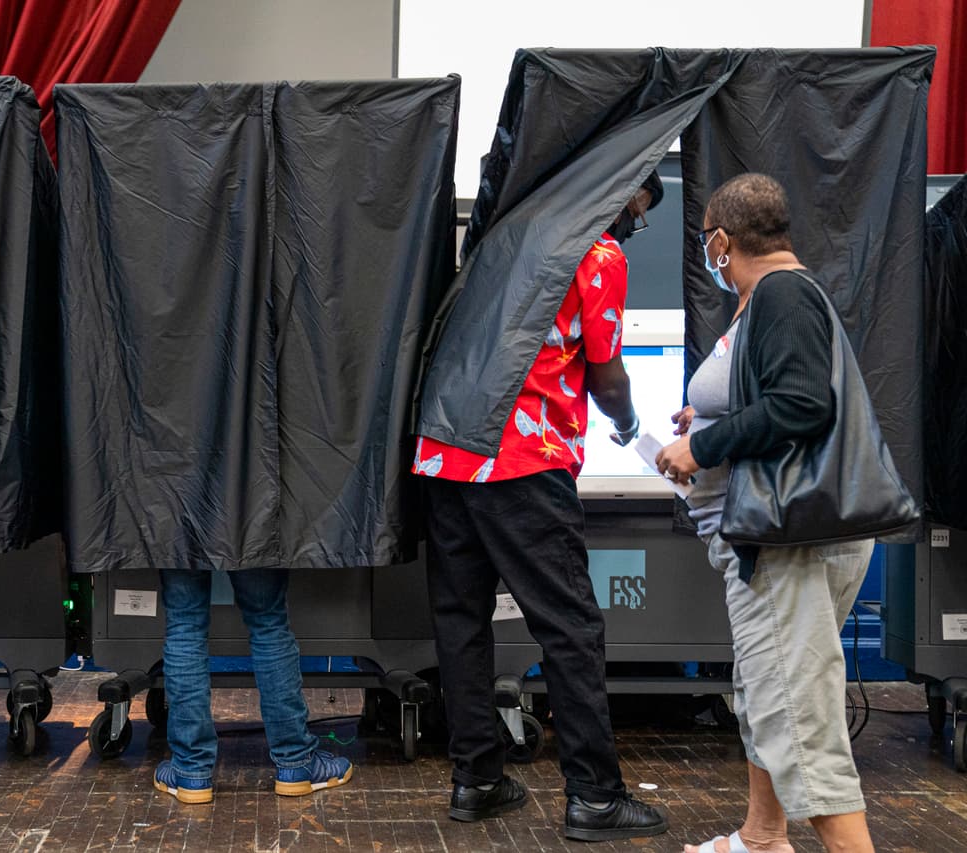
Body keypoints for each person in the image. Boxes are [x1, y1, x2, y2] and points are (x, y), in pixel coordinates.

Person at [412, 174, 669, 841]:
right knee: (571, 626)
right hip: (523, 456)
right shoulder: (598, 252)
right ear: (620, 183)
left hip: (445, 450)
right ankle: (594, 795)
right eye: (638, 209)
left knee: (461, 620)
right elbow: (607, 373)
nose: (634, 225)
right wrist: (628, 418)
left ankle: (478, 779)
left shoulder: (506, 230)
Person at [655, 173, 876, 853]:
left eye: (706, 243)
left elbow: (805, 406)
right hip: (774, 545)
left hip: (787, 547)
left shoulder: (781, 294)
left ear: (722, 240)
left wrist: (704, 445)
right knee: (765, 692)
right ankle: (761, 837)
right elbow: (779, 394)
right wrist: (713, 413)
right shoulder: (771, 300)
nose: (706, 254)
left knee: (800, 725)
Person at [152, 568, 353, 804]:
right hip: (253, 533)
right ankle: (295, 763)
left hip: (181, 533)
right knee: (268, 622)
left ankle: (190, 772)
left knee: (184, 626)